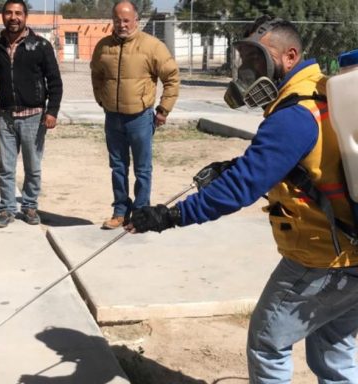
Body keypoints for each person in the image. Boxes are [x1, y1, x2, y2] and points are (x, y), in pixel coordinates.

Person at [127, 16, 358, 383]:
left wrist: (169, 216)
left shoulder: (293, 115)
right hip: (351, 251)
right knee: (334, 346)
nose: (248, 68)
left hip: (321, 258)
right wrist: (233, 166)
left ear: (289, 55)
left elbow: (241, 189)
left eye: (256, 57)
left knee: (268, 342)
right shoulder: (322, 91)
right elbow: (297, 162)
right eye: (245, 57)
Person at [90, 0, 179, 230]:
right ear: (113, 21)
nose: (122, 24)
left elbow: (171, 78)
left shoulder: (152, 46)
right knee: (118, 167)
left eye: (126, 20)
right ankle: (120, 211)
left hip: (140, 119)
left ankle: (140, 215)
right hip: (113, 118)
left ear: (135, 21)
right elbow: (96, 75)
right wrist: (102, 99)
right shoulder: (103, 47)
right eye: (118, 20)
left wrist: (163, 110)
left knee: (142, 169)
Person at [0, 0, 62, 229]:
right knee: (6, 167)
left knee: (33, 166)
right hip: (6, 117)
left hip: (34, 117)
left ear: (26, 16)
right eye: (9, 13)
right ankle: (8, 209)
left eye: (18, 13)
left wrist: (52, 111)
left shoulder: (40, 45)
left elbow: (55, 82)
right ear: (3, 16)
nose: (14, 17)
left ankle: (29, 206)